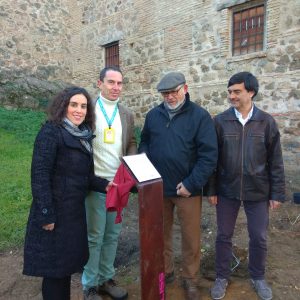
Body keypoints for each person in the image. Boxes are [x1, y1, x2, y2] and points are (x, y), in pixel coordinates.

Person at [23, 86, 114, 300]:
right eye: (74, 105)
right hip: (54, 215)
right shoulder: (51, 132)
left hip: (72, 215)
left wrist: (107, 185)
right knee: (54, 273)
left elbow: (86, 177)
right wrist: (46, 214)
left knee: (64, 270)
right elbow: (40, 175)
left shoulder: (83, 137)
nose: (79, 110)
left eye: (83, 106)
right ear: (63, 106)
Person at [138, 71, 218, 300]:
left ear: (185, 88)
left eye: (174, 92)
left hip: (187, 190)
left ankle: (190, 278)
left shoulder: (200, 116)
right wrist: (145, 159)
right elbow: (145, 140)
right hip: (158, 188)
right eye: (165, 93)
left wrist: (192, 183)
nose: (170, 97)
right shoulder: (153, 115)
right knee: (160, 234)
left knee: (191, 237)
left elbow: (208, 156)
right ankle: (167, 271)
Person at [207, 72, 285, 300]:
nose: (231, 96)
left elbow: (276, 161)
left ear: (251, 92)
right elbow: (213, 159)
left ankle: (258, 277)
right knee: (223, 235)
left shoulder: (266, 122)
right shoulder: (220, 121)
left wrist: (277, 192)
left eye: (237, 91)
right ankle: (221, 276)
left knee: (258, 236)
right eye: (230, 91)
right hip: (227, 188)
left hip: (258, 189)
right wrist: (211, 190)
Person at [82, 66, 136, 300]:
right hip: (96, 184)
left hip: (119, 185)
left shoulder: (126, 114)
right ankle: (90, 284)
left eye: (120, 83)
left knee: (112, 236)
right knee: (94, 236)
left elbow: (131, 141)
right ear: (100, 83)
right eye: (111, 82)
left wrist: (131, 168)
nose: (116, 87)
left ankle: (106, 278)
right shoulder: (88, 110)